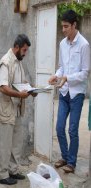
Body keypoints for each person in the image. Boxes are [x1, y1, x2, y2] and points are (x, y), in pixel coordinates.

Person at [48, 10, 90, 173]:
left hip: (77, 94)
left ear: (74, 25)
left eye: (66, 26)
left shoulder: (84, 45)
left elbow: (85, 73)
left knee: (72, 129)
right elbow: (61, 67)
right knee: (59, 128)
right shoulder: (62, 44)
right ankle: (65, 157)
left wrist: (67, 78)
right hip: (64, 92)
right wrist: (56, 76)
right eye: (62, 26)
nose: (63, 30)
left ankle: (72, 162)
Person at [0, 34, 35, 185]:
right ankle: (3, 174)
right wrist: (20, 94)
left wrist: (31, 90)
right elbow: (3, 87)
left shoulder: (18, 62)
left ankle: (13, 170)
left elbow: (20, 82)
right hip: (6, 109)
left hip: (17, 108)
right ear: (17, 47)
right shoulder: (6, 62)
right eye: (24, 50)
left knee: (16, 143)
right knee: (5, 144)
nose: (25, 53)